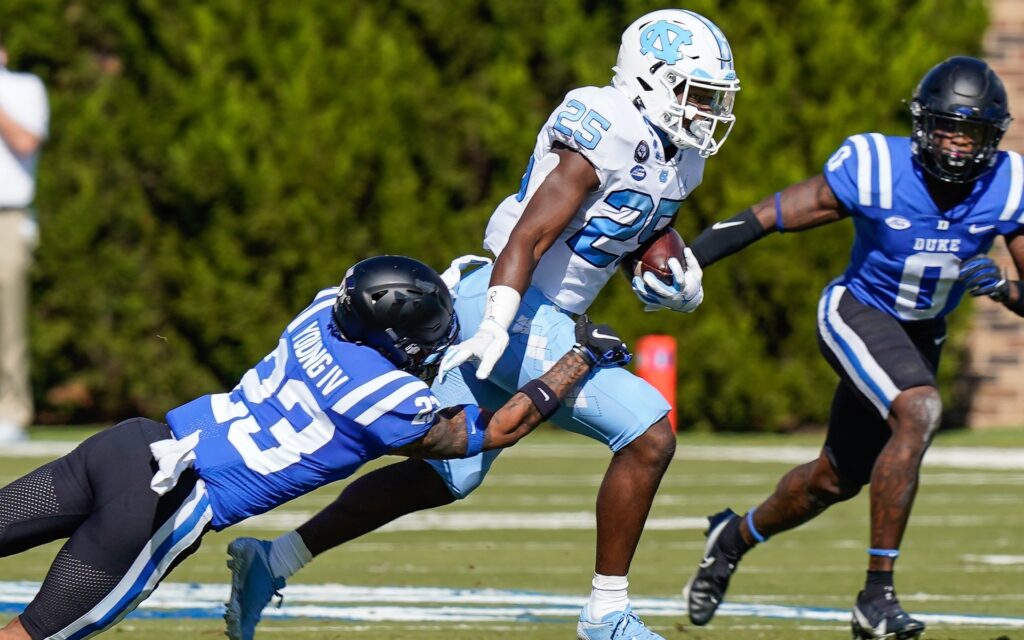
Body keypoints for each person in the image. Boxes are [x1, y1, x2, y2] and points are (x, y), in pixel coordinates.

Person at [225, 10, 739, 640]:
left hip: (540, 313)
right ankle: (606, 615)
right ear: (649, 79)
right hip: (509, 303)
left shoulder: (682, 158)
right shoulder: (606, 122)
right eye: (695, 94)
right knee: (649, 433)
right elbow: (531, 233)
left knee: (449, 469)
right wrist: (498, 323)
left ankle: (271, 562)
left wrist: (665, 268)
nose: (705, 111)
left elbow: (627, 223)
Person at [0, 255, 630, 640]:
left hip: (131, 444)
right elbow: (496, 429)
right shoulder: (384, 401)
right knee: (35, 633)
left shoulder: (321, 311)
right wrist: (580, 358)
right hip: (168, 500)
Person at [682, 56, 1020, 640]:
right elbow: (775, 213)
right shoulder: (877, 166)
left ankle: (730, 539)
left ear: (993, 139)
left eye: (972, 135)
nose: (958, 147)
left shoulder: (1009, 184)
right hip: (858, 311)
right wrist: (691, 259)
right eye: (947, 130)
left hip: (921, 335)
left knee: (835, 479)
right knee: (920, 411)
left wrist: (1008, 288)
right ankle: (876, 596)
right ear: (922, 126)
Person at [0, 31, 49, 444]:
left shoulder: (23, 88)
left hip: (7, 217)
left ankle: (11, 412)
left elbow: (26, 141)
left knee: (7, 320)